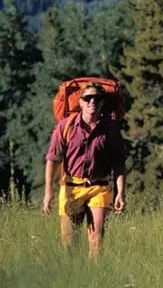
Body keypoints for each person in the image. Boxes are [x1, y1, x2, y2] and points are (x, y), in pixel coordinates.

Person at [43, 81, 126, 257]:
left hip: (100, 187)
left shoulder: (110, 129)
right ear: (80, 102)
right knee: (69, 243)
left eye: (96, 98)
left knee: (97, 239)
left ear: (102, 102)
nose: (92, 102)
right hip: (71, 187)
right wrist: (48, 191)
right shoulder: (66, 126)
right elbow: (53, 159)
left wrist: (120, 192)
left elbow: (119, 162)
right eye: (87, 98)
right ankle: (73, 278)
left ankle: (94, 278)